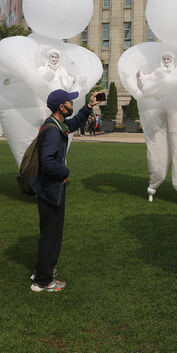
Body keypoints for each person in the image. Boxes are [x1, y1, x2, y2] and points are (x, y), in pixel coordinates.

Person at [29, 88, 101, 292]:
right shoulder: (53, 130)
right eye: (70, 102)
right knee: (52, 236)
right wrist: (64, 171)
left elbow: (73, 123)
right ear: (62, 107)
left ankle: (41, 270)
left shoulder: (56, 124)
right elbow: (48, 161)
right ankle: (43, 281)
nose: (72, 104)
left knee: (48, 234)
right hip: (51, 190)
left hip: (47, 189)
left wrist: (88, 107)